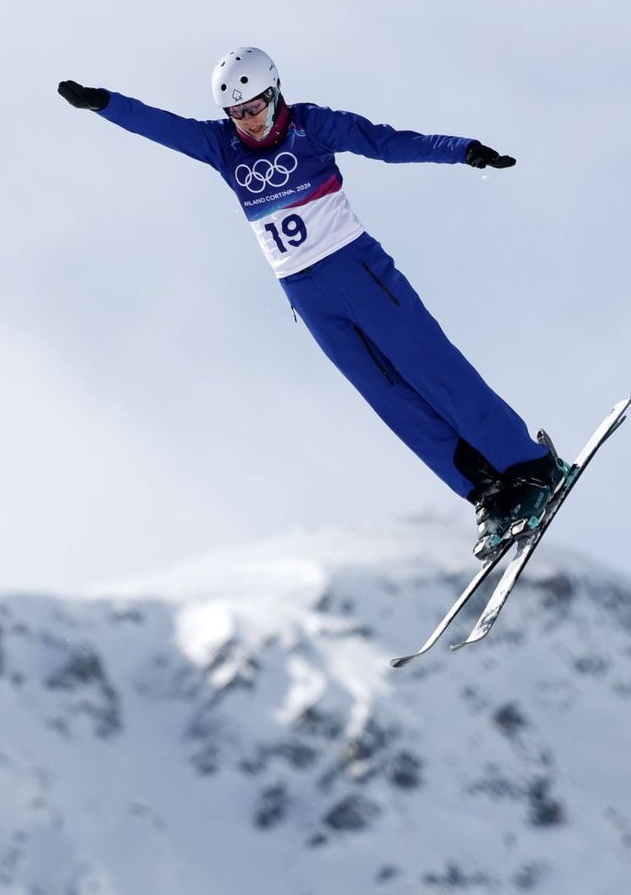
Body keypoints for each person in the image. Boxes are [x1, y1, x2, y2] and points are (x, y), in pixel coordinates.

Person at [56, 47, 561, 560]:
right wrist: (104, 103)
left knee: (428, 366)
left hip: (356, 270)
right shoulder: (221, 146)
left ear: (275, 94)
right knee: (386, 394)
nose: (248, 122)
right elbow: (158, 125)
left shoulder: (311, 126)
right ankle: (488, 492)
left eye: (254, 107)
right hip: (305, 294)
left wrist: (463, 149)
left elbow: (385, 142)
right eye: (236, 113)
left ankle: (529, 465)